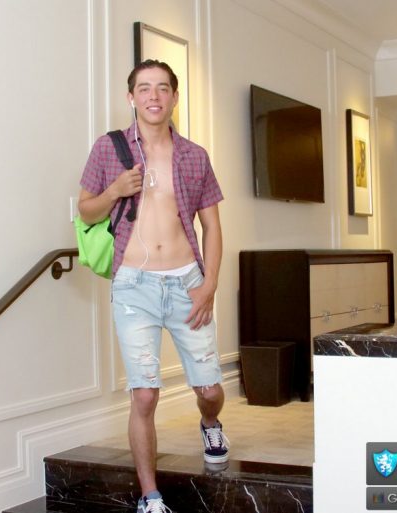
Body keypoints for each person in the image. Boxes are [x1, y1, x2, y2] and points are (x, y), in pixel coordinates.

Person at [77, 59, 227, 513]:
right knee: (144, 393)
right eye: (144, 88)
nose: (153, 96)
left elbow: (212, 226)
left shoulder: (194, 155)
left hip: (186, 283)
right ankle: (151, 497)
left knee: (209, 389)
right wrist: (115, 190)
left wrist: (209, 285)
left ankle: (211, 423)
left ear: (175, 97)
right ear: (131, 97)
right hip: (133, 285)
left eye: (163, 88)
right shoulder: (108, 149)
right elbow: (85, 210)